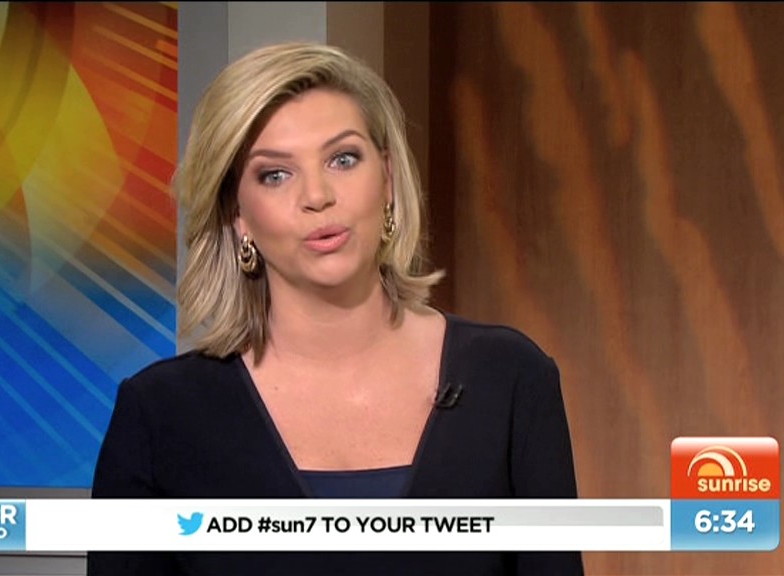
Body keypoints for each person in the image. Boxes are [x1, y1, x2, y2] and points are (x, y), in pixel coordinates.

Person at [87, 42, 582, 575]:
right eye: (275, 174)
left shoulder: (509, 379)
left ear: (387, 179)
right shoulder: (160, 414)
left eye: (343, 159)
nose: (318, 195)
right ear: (238, 215)